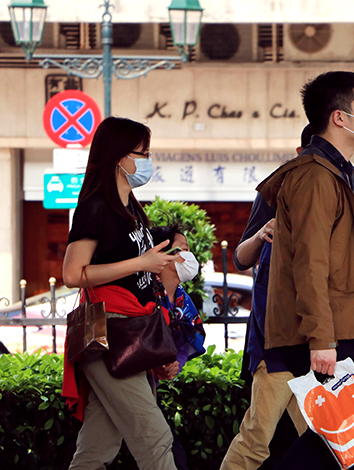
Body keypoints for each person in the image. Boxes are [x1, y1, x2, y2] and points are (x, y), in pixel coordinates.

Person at [256, 71, 354, 469]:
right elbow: (310, 264)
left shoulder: (335, 174)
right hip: (322, 336)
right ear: (339, 117)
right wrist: (321, 339)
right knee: (335, 441)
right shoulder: (316, 177)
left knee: (344, 442)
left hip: (337, 329)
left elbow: (337, 266)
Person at [62, 116, 180, 470]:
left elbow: (142, 260)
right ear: (118, 157)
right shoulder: (96, 207)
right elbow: (72, 274)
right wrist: (140, 264)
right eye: (141, 153)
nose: (146, 161)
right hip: (109, 329)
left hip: (127, 330)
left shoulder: (131, 209)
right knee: (154, 438)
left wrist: (173, 241)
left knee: (99, 446)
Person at [219, 125, 313, 470]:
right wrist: (261, 233)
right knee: (257, 439)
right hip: (277, 344)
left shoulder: (340, 190)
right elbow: (241, 258)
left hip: (315, 343)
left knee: (321, 441)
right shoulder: (278, 191)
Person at [150, 223, 207, 470]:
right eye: (182, 249)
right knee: (166, 448)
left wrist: (175, 364)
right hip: (134, 380)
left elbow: (184, 342)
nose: (189, 256)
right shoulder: (145, 295)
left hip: (151, 386)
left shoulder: (183, 301)